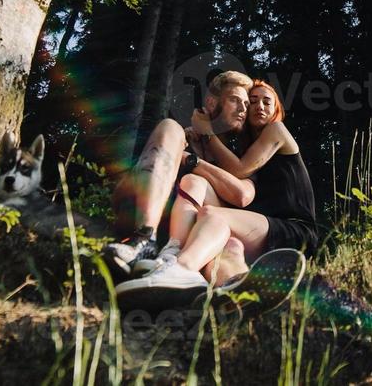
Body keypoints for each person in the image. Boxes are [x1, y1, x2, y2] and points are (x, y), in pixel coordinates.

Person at [114, 79, 318, 298]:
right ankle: (230, 289)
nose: (258, 106)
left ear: (277, 109)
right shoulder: (245, 148)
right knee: (222, 236)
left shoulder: (275, 130)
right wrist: (197, 145)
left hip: (294, 228)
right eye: (253, 102)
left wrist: (205, 135)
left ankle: (180, 267)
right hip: (257, 229)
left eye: (267, 102)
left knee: (211, 216)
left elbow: (240, 174)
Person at [101, 70, 254, 280]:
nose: (242, 109)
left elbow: (242, 195)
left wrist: (194, 157)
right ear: (211, 103)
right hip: (152, 217)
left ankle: (234, 295)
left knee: (229, 242)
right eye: (235, 100)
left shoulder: (242, 159)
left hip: (202, 240)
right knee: (169, 126)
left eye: (246, 104)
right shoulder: (182, 138)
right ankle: (144, 239)